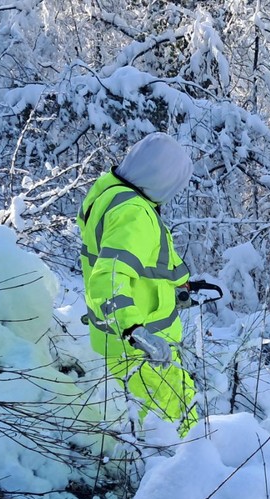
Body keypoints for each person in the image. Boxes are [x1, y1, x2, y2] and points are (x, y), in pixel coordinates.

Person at [77, 132, 197, 436]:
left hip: (131, 344)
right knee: (179, 429)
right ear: (162, 179)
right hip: (144, 349)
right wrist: (135, 332)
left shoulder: (110, 194)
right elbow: (109, 278)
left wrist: (178, 289)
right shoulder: (135, 213)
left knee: (148, 426)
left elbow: (137, 263)